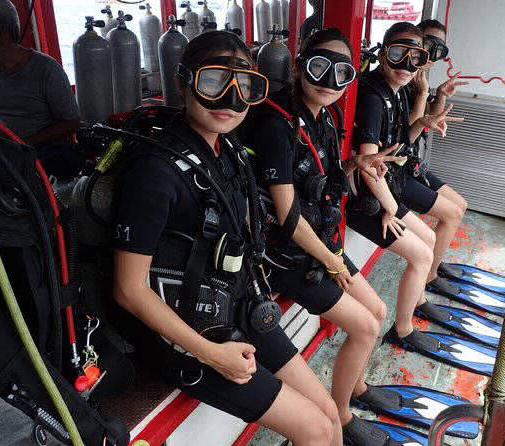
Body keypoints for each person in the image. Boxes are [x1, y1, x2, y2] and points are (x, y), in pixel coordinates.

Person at [112, 31, 341, 446]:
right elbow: (129, 290)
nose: (231, 99)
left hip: (237, 306)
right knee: (317, 429)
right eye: (214, 81)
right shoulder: (155, 172)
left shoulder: (228, 151)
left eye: (245, 85)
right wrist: (212, 354)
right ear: (183, 82)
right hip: (186, 336)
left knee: (329, 415)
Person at [250, 28, 404, 444]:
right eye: (320, 67)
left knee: (377, 310)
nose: (330, 81)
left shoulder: (327, 116)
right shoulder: (276, 123)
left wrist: (356, 166)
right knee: (366, 327)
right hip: (287, 257)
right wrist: (332, 260)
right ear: (300, 65)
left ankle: (353, 388)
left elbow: (323, 179)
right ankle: (343, 415)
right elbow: (286, 215)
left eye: (343, 73)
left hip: (321, 247)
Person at [347, 22, 462, 349]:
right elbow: (370, 165)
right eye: (399, 54)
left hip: (386, 188)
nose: (407, 66)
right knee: (422, 254)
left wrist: (422, 122)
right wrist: (391, 208)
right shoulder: (372, 96)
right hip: (365, 198)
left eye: (416, 58)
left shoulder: (395, 90)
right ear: (383, 54)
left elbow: (400, 146)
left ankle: (417, 301)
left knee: (428, 241)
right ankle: (403, 330)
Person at [406, 18, 470, 295]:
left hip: (411, 164)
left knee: (460, 205)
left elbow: (429, 120)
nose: (432, 53)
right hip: (397, 169)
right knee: (452, 213)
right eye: (428, 44)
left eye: (438, 48)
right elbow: (408, 131)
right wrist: (422, 92)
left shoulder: (421, 78)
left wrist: (440, 94)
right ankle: (429, 275)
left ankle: (434, 265)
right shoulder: (405, 77)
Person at [0, 0, 81, 178]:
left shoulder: (46, 69)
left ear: (1, 32)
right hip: (0, 149)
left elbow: (71, 122)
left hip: (42, 149)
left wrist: (24, 144)